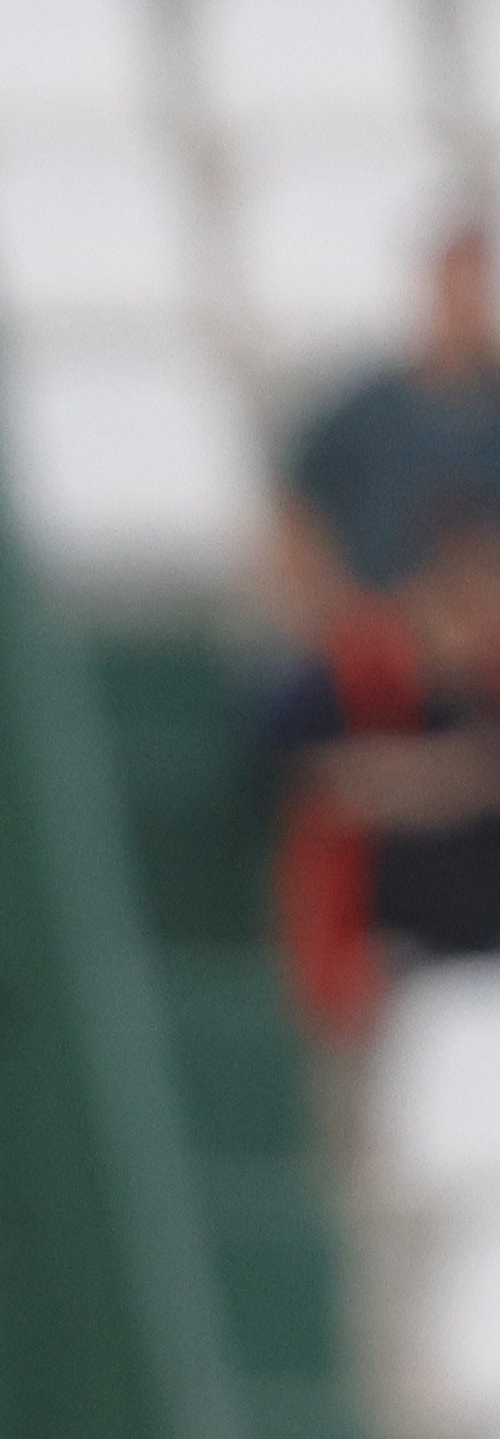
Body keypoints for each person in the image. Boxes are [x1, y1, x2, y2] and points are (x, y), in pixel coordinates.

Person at [261, 504, 500, 1064]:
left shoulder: (485, 681)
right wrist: (437, 778)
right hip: (376, 967)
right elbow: (302, 778)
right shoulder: (349, 669)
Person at [279, 215, 500, 632]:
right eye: (457, 284)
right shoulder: (365, 415)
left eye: (478, 286)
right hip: (384, 645)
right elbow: (295, 510)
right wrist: (337, 612)